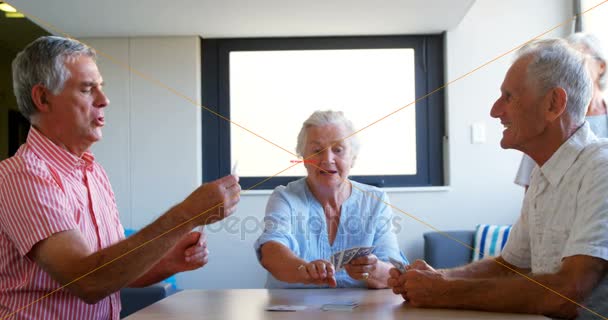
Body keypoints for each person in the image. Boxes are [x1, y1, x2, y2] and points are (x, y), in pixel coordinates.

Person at [0, 36, 241, 319]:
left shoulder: (94, 173)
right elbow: (88, 281)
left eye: (101, 88)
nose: (104, 100)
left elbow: (111, 275)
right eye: (88, 89)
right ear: (43, 98)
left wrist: (169, 262)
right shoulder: (22, 175)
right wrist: (186, 215)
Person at [388, 39, 608, 319]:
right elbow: (509, 266)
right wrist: (438, 277)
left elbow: (566, 295)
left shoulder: (601, 168)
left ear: (554, 103)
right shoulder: (542, 175)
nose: (495, 110)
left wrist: (442, 291)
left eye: (509, 97)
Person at [254, 110, 407, 289]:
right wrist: (305, 270)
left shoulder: (376, 200)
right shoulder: (285, 197)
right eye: (317, 151)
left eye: (338, 150)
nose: (327, 159)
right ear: (303, 158)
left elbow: (393, 273)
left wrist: (372, 269)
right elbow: (271, 252)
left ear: (353, 158)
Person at [514, 32, 607, 189]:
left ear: (601, 67)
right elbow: (531, 186)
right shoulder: (550, 120)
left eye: (578, 58)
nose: (572, 68)